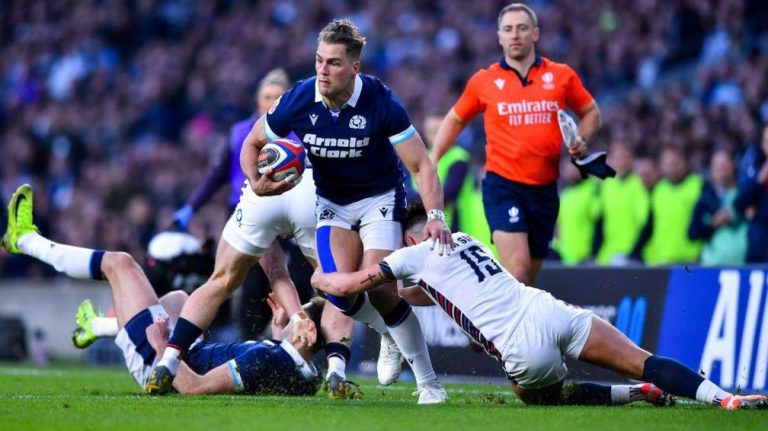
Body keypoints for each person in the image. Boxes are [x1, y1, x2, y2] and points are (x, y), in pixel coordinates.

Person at [154, 19, 451, 404]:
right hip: (330, 203)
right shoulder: (300, 97)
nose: (322, 71)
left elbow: (421, 166)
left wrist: (435, 217)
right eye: (318, 61)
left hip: (379, 197)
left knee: (381, 291)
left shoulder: (381, 101)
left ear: (354, 67)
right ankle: (379, 342)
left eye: (333, 63)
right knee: (338, 289)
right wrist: (255, 182)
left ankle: (429, 384)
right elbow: (253, 141)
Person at [311, 201, 768, 410]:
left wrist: (319, 275)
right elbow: (437, 294)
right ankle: (726, 399)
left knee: (533, 396)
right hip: (549, 309)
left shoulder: (410, 254)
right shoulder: (465, 240)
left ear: (409, 237)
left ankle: (628, 396)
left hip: (520, 346)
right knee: (644, 361)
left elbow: (353, 284)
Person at [1, 184, 322, 396]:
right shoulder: (309, 373)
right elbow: (283, 370)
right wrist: (282, 332)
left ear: (307, 335)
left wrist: (160, 349)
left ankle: (26, 240)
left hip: (164, 367)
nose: (296, 316)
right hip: (192, 352)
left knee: (120, 264)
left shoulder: (265, 360)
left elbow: (195, 388)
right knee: (179, 300)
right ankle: (98, 325)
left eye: (301, 317)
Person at [430, 3, 601, 284]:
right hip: (503, 185)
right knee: (518, 270)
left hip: (545, 190)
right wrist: (433, 158)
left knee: (527, 280)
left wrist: (582, 138)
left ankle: (501, 323)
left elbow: (591, 112)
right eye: (508, 29)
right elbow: (455, 119)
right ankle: (496, 327)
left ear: (535, 33)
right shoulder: (484, 81)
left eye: (522, 28)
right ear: (499, 37)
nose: (515, 35)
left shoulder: (561, 76)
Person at [171, 69, 315, 341]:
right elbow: (216, 173)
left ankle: (299, 341)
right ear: (257, 101)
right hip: (250, 211)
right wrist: (192, 206)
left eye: (278, 96)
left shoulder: (301, 131)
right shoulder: (240, 133)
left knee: (300, 275)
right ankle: (247, 341)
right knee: (252, 283)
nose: (272, 101)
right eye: (267, 96)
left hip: (291, 214)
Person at [631, 147, 702, 265]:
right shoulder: (658, 190)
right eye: (668, 164)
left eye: (675, 163)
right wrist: (634, 253)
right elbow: (650, 226)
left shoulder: (698, 186)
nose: (672, 168)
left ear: (684, 163)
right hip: (663, 259)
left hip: (691, 259)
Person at [594, 141, 650, 266]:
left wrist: (635, 253)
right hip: (607, 254)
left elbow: (645, 223)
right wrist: (595, 253)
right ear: (611, 160)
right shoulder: (607, 185)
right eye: (618, 157)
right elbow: (600, 221)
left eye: (625, 157)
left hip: (629, 255)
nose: (621, 162)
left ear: (631, 160)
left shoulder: (639, 185)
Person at [688, 149, 747, 265]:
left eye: (725, 165)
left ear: (733, 167)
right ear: (711, 170)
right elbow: (693, 233)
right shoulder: (704, 200)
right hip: (712, 265)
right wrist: (713, 224)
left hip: (745, 265)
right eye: (718, 166)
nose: (722, 170)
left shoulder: (746, 195)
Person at [734, 124, 768, 263]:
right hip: (760, 246)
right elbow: (739, 205)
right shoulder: (753, 171)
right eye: (766, 141)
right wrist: (759, 180)